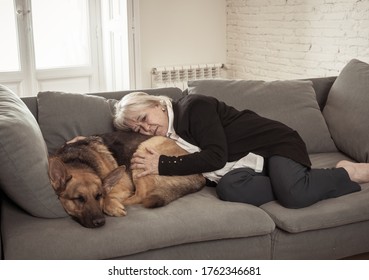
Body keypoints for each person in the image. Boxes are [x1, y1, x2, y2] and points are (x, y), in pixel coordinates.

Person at [113, 91, 368, 209]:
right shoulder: (169, 136)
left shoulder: (194, 107)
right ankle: (292, 180)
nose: (145, 128)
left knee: (294, 196)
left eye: (144, 118)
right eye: (138, 129)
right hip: (245, 168)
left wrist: (162, 164)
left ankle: (346, 172)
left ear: (157, 103)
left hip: (274, 146)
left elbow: (215, 157)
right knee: (229, 189)